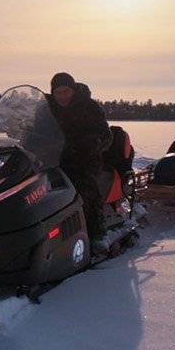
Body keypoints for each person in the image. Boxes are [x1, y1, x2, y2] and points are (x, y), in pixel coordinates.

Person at [45, 71, 114, 253]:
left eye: (65, 91)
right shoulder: (47, 108)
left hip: (83, 158)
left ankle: (98, 232)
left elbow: (105, 134)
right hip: (51, 157)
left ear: (73, 90)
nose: (62, 96)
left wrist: (92, 142)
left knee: (84, 186)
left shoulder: (89, 107)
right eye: (57, 92)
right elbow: (34, 127)